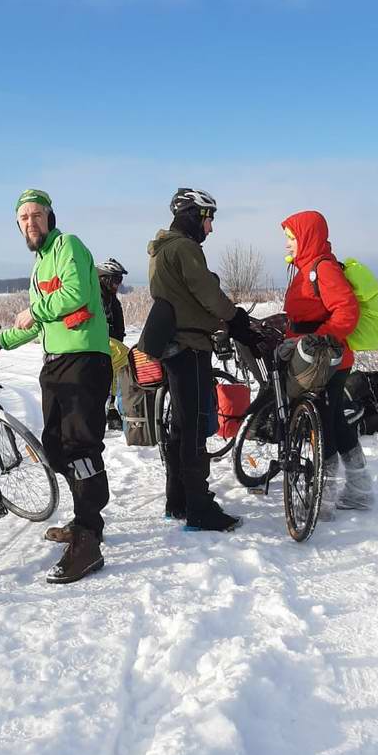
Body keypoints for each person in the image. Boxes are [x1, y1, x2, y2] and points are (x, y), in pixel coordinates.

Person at [0, 189, 112, 584]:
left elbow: (73, 296)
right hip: (55, 363)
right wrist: (0, 342)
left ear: (50, 216)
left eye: (36, 215)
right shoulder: (39, 266)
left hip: (85, 360)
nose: (30, 223)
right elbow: (39, 324)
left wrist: (34, 310)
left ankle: (89, 540)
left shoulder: (68, 247)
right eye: (23, 218)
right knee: (58, 448)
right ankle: (84, 521)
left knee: (80, 448)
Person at [147, 188, 254, 532]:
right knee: (194, 429)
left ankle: (177, 500)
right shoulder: (184, 248)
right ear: (193, 216)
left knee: (180, 427)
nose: (210, 229)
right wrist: (236, 318)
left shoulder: (161, 250)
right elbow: (206, 293)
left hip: (172, 347)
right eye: (208, 219)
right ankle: (199, 508)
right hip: (190, 345)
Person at [281, 210, 375, 517]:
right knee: (334, 421)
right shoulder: (306, 268)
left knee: (322, 425)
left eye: (291, 238)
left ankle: (322, 499)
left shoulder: (323, 269)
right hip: (320, 357)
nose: (287, 245)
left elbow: (346, 312)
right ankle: (359, 492)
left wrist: (314, 340)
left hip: (327, 361)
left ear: (307, 237)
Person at [96, 258, 128, 430]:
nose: (118, 284)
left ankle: (112, 409)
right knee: (124, 357)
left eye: (120, 280)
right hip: (96, 342)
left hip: (110, 342)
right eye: (116, 280)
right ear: (104, 279)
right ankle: (112, 408)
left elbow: (118, 324)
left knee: (118, 369)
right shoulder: (94, 296)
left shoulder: (111, 299)